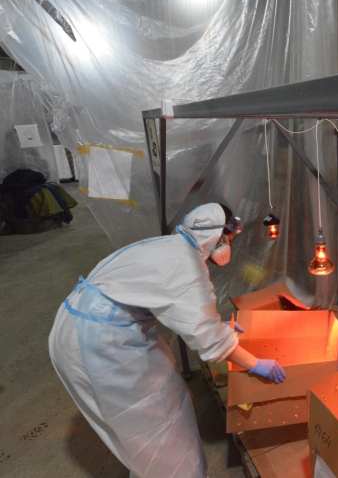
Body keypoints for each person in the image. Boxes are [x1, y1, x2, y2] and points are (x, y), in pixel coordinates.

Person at [48, 203, 286, 477]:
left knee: (151, 412)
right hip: (102, 341)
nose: (229, 245)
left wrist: (212, 324)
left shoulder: (170, 246)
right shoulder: (187, 266)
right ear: (217, 235)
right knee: (155, 426)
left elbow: (163, 298)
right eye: (229, 238)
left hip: (75, 322)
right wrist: (256, 364)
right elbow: (213, 344)